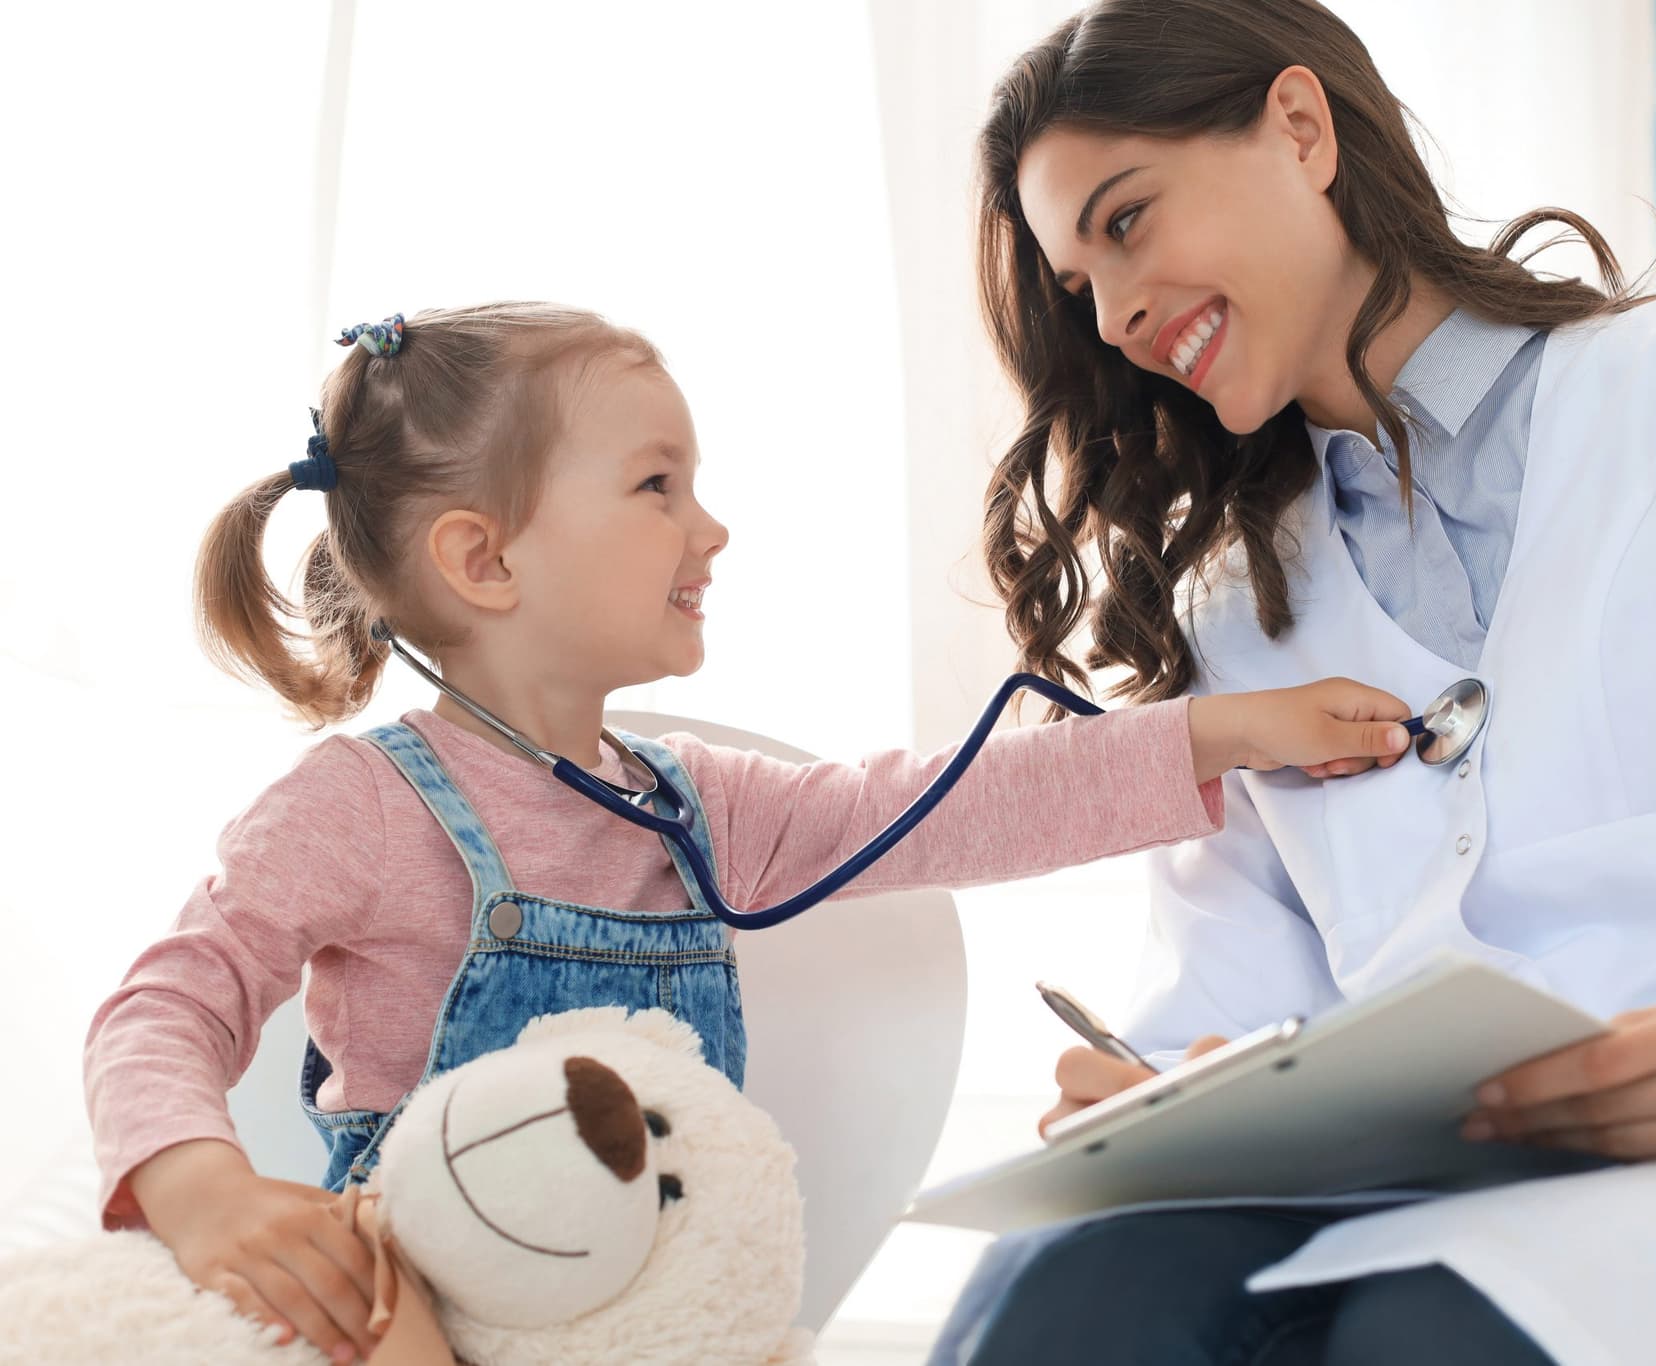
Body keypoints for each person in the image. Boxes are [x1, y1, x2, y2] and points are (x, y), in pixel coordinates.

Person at [933, 2, 1656, 1362]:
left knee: (1428, 1335)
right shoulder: (1236, 609)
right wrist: (1159, 1091)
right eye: (1078, 287)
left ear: (1299, 129)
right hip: (1453, 1184)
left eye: (1125, 223)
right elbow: (1235, 1001)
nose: (1113, 314)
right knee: (1067, 1299)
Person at [82, 301, 1416, 1365]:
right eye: (657, 485)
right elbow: (161, 1005)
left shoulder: (696, 806)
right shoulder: (357, 809)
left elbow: (946, 806)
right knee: (371, 1310)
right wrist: (200, 1184)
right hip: (429, 1301)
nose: (710, 527)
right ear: (483, 560)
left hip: (651, 1312)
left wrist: (1219, 733)